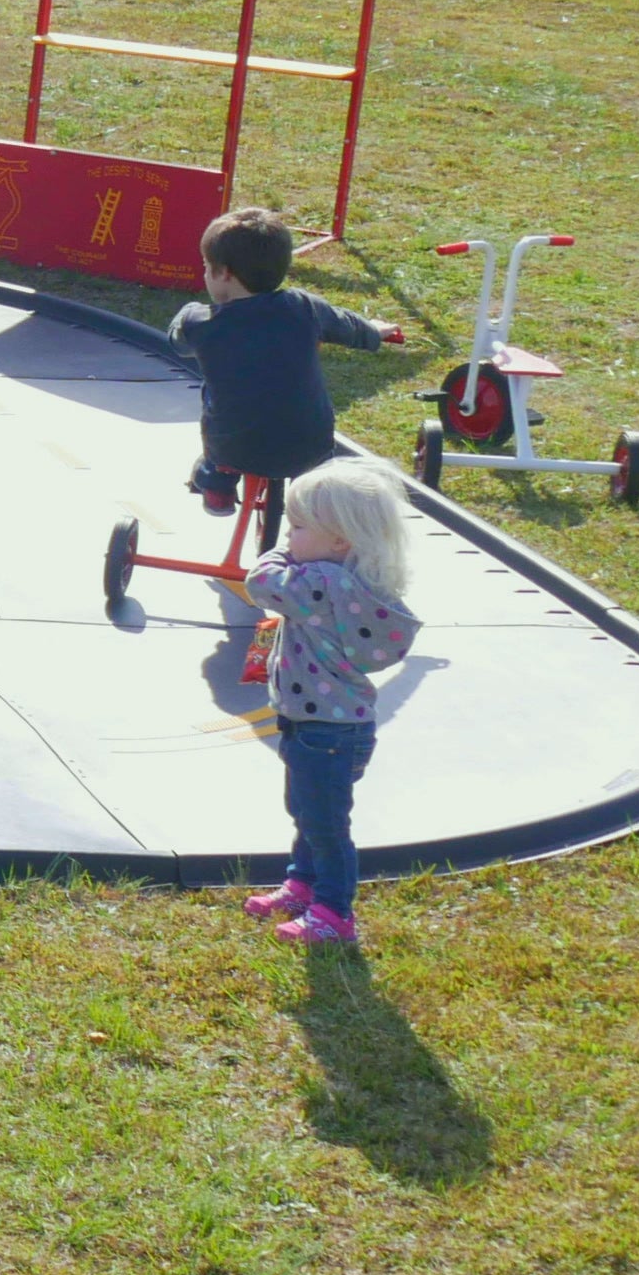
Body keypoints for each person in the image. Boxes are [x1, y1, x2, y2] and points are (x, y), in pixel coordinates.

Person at [236, 458, 423, 946]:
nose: (288, 536)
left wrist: (279, 551)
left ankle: (333, 911)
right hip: (327, 725)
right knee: (307, 811)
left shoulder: (317, 583)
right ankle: (302, 884)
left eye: (297, 527)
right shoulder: (347, 578)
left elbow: (259, 583)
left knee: (326, 825)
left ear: (340, 540)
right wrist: (298, 542)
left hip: (326, 733)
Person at [171, 206, 400, 519]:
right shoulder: (303, 306)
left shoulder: (201, 322)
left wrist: (187, 315)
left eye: (206, 267)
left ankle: (217, 485)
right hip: (309, 446)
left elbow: (177, 342)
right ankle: (312, 507)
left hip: (234, 447)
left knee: (215, 399)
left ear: (224, 273)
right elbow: (346, 325)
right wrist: (374, 332)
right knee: (309, 436)